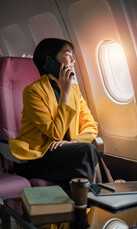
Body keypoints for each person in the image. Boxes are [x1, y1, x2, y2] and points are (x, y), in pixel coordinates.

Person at [9, 38, 114, 192]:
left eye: (73, 55)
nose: (73, 60)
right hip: (40, 158)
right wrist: (65, 92)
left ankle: (98, 195)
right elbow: (56, 133)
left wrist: (75, 142)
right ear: (50, 60)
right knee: (87, 151)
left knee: (86, 152)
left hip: (68, 153)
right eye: (67, 54)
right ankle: (108, 191)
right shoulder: (33, 92)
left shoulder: (75, 91)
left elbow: (91, 126)